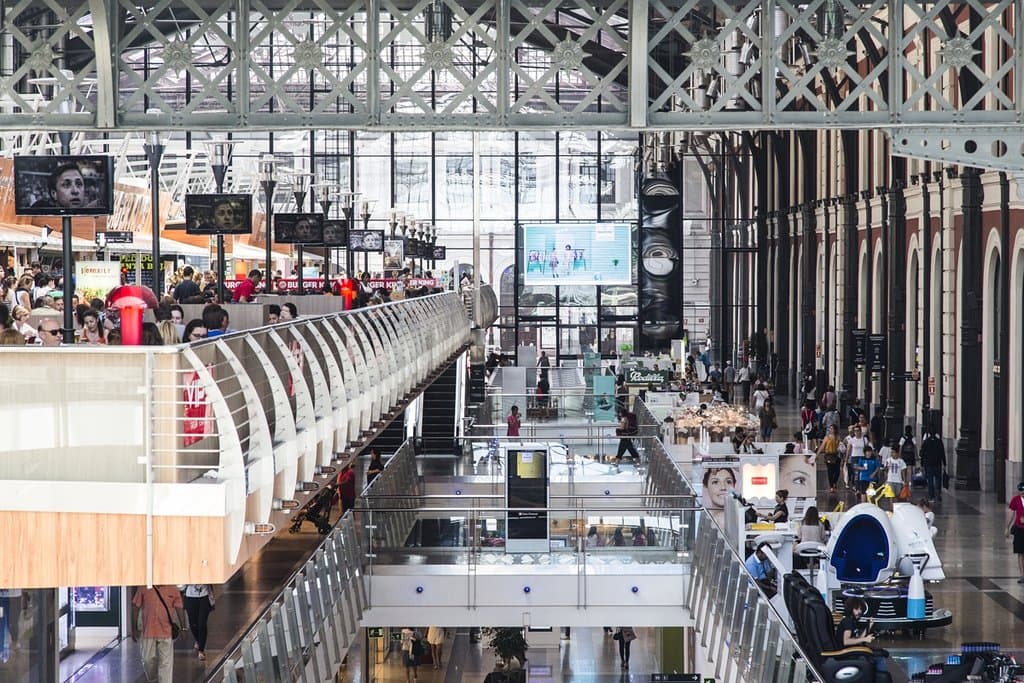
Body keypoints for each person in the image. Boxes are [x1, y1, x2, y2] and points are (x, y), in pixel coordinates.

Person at [131, 585, 186, 683]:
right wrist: (134, 628)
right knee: (147, 660)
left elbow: (179, 607)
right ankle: (153, 679)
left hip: (166, 632)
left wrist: (183, 628)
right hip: (148, 631)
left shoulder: (172, 588)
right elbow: (135, 607)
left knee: (166, 664)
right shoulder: (144, 587)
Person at [836, 597, 887, 673]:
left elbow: (859, 639)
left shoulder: (853, 621)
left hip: (852, 650)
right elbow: (846, 641)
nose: (859, 611)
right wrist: (865, 639)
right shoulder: (847, 621)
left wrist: (869, 626)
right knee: (879, 658)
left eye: (860, 609)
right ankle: (881, 677)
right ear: (850, 609)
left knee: (881, 653)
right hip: (847, 653)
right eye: (856, 609)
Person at [182, 584, 214, 661]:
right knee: (193, 624)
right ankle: (198, 640)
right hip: (190, 597)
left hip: (204, 596)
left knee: (202, 623)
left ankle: (201, 650)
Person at [920, 431, 946, 502]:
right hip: (938, 463)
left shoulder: (926, 442)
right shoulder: (939, 442)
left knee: (930, 480)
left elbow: (922, 453)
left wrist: (922, 463)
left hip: (929, 464)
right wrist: (944, 463)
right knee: (938, 479)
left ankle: (932, 496)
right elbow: (942, 453)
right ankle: (938, 492)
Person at [1006, 483, 1024, 584]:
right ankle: (1022, 575)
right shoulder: (1015, 500)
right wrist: (1007, 527)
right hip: (1019, 529)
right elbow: (1011, 513)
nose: (1023, 492)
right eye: (1021, 490)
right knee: (1020, 552)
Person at [818, 424, 842, 492]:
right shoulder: (827, 437)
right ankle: (831, 486)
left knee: (837, 471)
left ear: (835, 430)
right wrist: (817, 455)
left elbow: (840, 446)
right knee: (830, 471)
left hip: (836, 455)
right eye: (830, 428)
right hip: (829, 455)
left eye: (832, 428)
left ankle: (834, 482)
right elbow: (822, 446)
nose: (831, 430)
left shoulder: (838, 437)